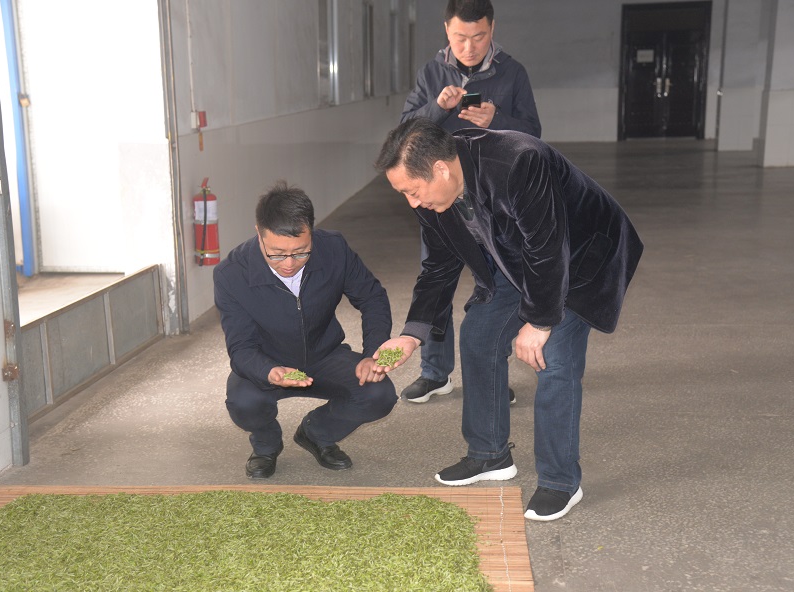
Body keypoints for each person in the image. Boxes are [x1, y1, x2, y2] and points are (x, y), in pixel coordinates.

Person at [373, 119, 643, 521]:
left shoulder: (518, 161)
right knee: (479, 335)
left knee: (553, 357)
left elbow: (547, 245)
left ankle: (560, 482)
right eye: (404, 195)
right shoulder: (433, 198)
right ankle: (489, 454)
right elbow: (438, 267)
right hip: (516, 256)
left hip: (581, 256)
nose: (412, 203)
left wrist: (539, 322)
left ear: (441, 169)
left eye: (412, 191)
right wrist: (411, 335)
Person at [399, 0, 542, 405]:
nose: (469, 46)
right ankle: (434, 373)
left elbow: (534, 135)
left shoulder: (513, 72)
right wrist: (438, 107)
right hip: (441, 198)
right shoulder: (431, 73)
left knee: (500, 285)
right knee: (437, 280)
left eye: (478, 37)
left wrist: (497, 120)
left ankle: (493, 373)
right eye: (460, 37)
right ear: (447, 31)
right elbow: (404, 133)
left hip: (495, 200)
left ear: (492, 29)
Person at [214, 181, 397, 479]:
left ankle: (317, 433)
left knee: (379, 394)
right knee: (244, 403)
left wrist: (373, 353)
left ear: (311, 231)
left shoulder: (334, 249)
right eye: (276, 254)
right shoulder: (231, 274)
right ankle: (266, 445)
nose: (289, 264)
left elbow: (372, 298)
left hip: (325, 355)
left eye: (301, 252)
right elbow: (241, 347)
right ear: (259, 232)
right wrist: (269, 371)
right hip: (268, 360)